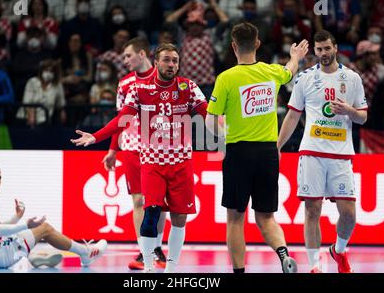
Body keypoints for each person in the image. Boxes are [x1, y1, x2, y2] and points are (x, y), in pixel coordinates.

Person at [71, 43, 208, 273]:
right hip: (152, 162)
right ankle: (147, 266)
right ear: (156, 62)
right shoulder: (139, 88)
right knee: (150, 210)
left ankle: (171, 268)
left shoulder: (188, 86)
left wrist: (226, 130)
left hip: (182, 162)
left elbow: (207, 114)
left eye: (175, 60)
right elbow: (121, 119)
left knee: (179, 217)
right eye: (166, 60)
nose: (171, 64)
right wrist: (96, 137)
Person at [206, 22, 308, 273]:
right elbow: (289, 71)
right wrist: (296, 57)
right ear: (258, 44)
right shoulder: (271, 72)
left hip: (239, 152)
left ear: (233, 46)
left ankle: (239, 271)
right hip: (268, 153)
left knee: (235, 218)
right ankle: (283, 254)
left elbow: (210, 121)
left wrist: (224, 134)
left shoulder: (226, 78)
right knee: (266, 217)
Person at [277, 30, 368, 273]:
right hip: (312, 153)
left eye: (327, 48)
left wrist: (349, 110)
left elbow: (363, 117)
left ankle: (337, 250)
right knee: (312, 209)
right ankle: (315, 265)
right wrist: (277, 146)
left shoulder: (352, 79)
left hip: (341, 154)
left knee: (349, 215)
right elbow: (293, 115)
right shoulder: (305, 78)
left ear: (336, 48)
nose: (323, 54)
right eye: (319, 50)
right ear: (314, 52)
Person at [100, 37, 167, 271]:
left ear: (142, 54)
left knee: (158, 202)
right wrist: (112, 150)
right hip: (131, 148)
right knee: (138, 200)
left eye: (128, 55)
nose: (125, 60)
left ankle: (157, 248)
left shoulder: (163, 77)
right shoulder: (124, 83)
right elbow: (121, 120)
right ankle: (144, 251)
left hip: (159, 149)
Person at [0, 162, 107, 269]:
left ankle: (33, 256)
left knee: (21, 234)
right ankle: (86, 253)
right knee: (44, 229)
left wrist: (16, 218)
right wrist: (26, 224)